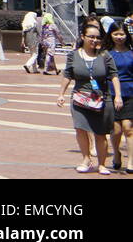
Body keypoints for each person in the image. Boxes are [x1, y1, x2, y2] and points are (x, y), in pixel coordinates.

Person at [57, 21, 121, 174]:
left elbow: (114, 75)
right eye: (91, 37)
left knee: (100, 133)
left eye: (97, 38)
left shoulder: (105, 55)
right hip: (80, 99)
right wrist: (61, 94)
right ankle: (86, 159)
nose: (94, 40)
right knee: (80, 129)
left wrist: (117, 95)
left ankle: (102, 164)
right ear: (83, 37)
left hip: (102, 99)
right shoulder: (74, 55)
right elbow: (68, 74)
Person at [107, 19, 133, 175]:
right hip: (111, 94)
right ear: (110, 35)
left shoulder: (131, 53)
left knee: (128, 128)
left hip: (130, 93)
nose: (119, 37)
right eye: (116, 34)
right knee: (116, 130)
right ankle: (116, 153)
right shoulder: (106, 54)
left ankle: (131, 160)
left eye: (122, 34)